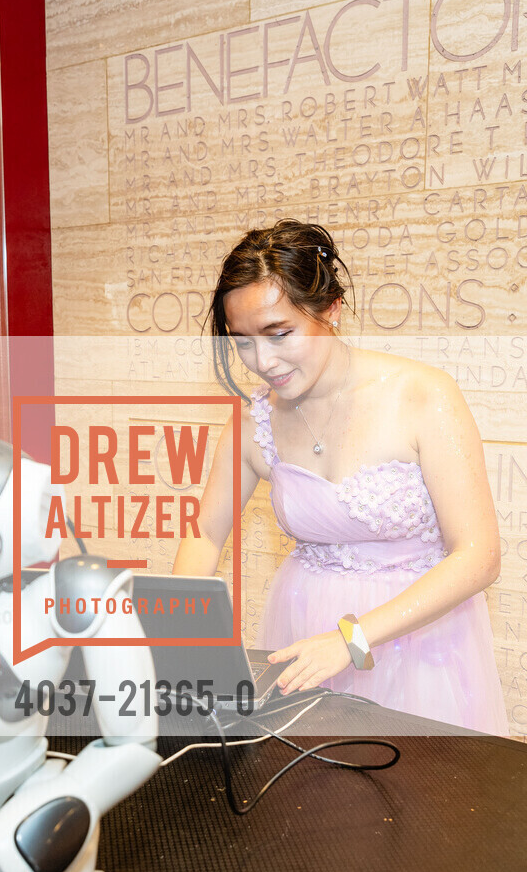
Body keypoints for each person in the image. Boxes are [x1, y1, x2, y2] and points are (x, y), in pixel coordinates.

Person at [172, 220, 508, 735]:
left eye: (279, 333)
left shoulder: (422, 395)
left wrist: (351, 639)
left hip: (415, 638)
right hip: (305, 627)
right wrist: (175, 630)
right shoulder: (251, 422)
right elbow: (205, 533)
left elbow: (479, 556)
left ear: (329, 308)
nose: (263, 362)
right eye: (242, 342)